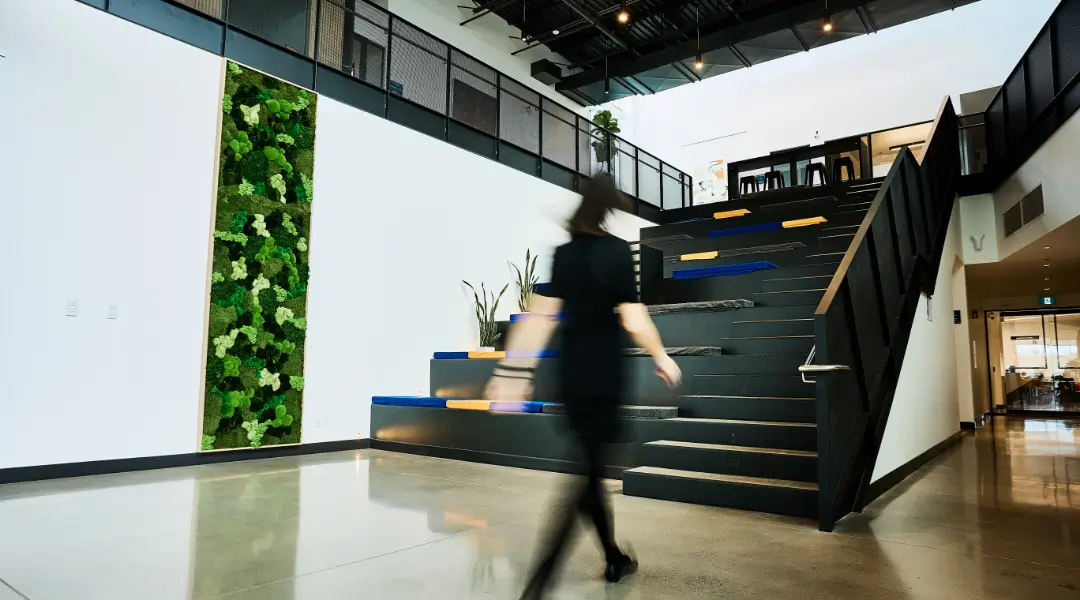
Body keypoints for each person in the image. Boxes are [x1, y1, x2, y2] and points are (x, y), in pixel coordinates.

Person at [485, 173, 682, 599]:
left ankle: (614, 557)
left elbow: (538, 319)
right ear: (608, 208)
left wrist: (511, 372)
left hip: (571, 378)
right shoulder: (615, 252)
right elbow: (633, 318)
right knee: (583, 479)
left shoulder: (565, 255)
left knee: (590, 473)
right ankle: (539, 582)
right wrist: (662, 356)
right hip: (604, 377)